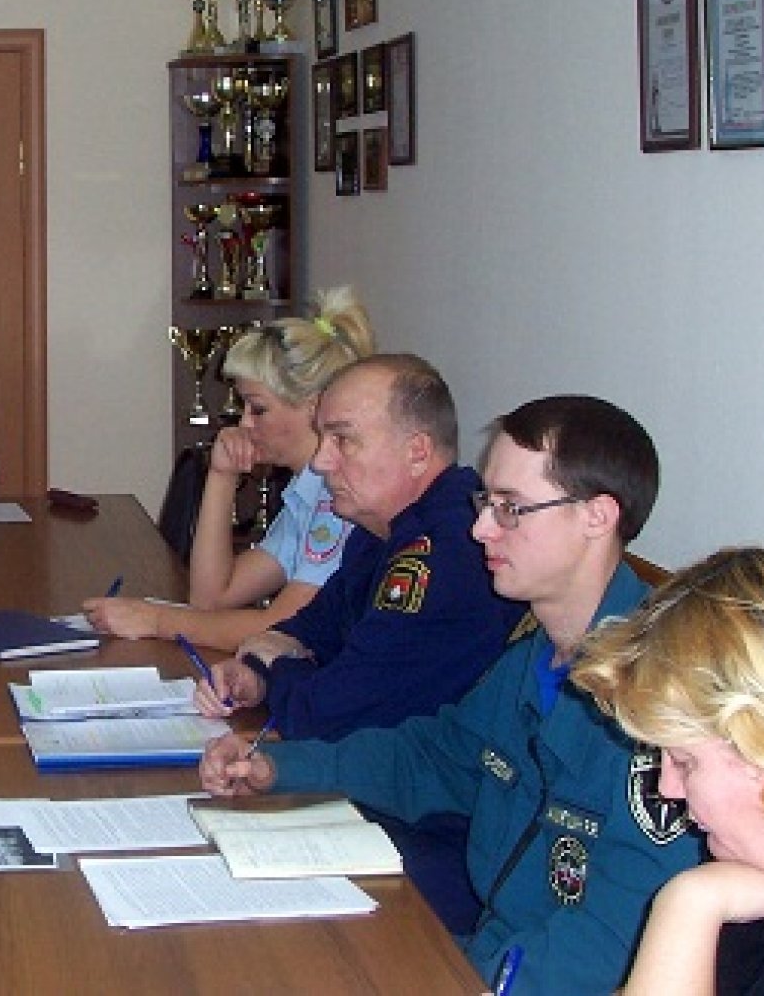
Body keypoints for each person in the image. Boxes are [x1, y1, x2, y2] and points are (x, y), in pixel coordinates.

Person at [201, 395, 703, 992]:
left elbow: (612, 941)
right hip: (482, 954)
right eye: (484, 502)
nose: (480, 528)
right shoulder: (532, 658)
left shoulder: (660, 702)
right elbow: (434, 758)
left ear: (597, 516)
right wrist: (276, 766)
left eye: (510, 508)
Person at [191, 353, 518, 739]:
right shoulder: (378, 530)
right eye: (323, 438)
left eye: (342, 440)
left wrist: (276, 666)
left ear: (417, 452)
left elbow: (323, 716)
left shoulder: (446, 553)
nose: (320, 462)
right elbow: (312, 629)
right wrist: (255, 672)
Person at [81, 286, 374, 649]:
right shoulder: (308, 492)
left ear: (314, 409)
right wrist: (222, 474)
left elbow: (283, 629)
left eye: (258, 408)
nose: (245, 423)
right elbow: (212, 597)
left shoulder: (337, 499)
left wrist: (156, 620)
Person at [573, 548, 764, 996]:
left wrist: (690, 905)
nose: (667, 789)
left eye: (685, 762)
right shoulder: (744, 867)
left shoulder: (722, 883)